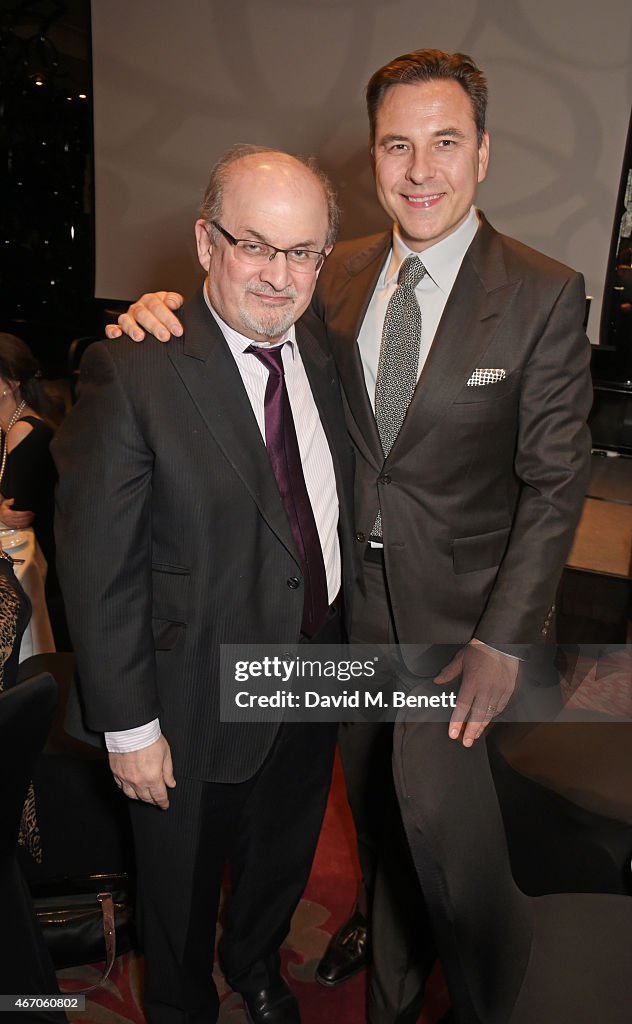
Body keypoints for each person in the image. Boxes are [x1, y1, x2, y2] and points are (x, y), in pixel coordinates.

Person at [107, 49, 593, 1024]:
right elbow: (247, 350)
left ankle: (452, 992)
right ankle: (381, 955)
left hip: (457, 632)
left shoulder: (542, 291)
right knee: (366, 810)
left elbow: (553, 482)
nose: (419, 169)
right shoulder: (332, 273)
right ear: (371, 155)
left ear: (483, 154)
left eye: (444, 142)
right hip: (335, 617)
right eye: (396, 144)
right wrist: (161, 312)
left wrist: (502, 639)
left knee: (443, 841)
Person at [53, 145, 355, 1024]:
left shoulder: (325, 353)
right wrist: (129, 726)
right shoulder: (134, 368)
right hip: (189, 693)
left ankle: (256, 965)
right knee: (178, 897)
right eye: (254, 245)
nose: (278, 275)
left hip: (315, 661)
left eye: (302, 253)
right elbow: (95, 565)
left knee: (284, 852)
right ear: (205, 241)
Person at [0, 332, 67, 649]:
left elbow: (16, 513)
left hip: (30, 568)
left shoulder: (26, 430)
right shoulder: (8, 428)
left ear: (10, 383)